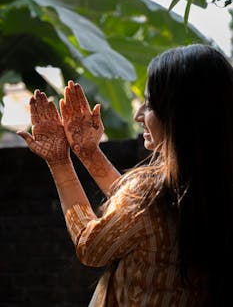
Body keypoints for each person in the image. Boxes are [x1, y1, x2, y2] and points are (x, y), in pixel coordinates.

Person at [17, 43, 233, 306]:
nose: (138, 115)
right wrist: (88, 152)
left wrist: (60, 161)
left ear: (180, 115)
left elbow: (91, 246)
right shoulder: (210, 187)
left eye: (150, 105)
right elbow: (142, 219)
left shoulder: (150, 192)